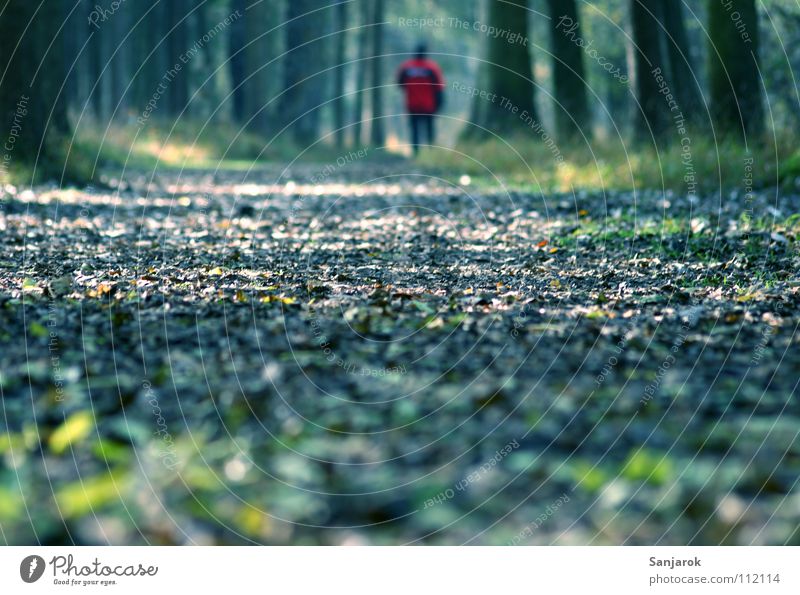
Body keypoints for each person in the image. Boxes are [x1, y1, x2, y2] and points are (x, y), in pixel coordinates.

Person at [396, 43, 445, 155]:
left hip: (412, 104)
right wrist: (440, 104)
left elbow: (399, 84)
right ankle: (431, 152)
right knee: (429, 129)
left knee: (414, 129)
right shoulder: (432, 68)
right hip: (428, 105)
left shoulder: (406, 67)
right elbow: (439, 87)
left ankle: (416, 152)